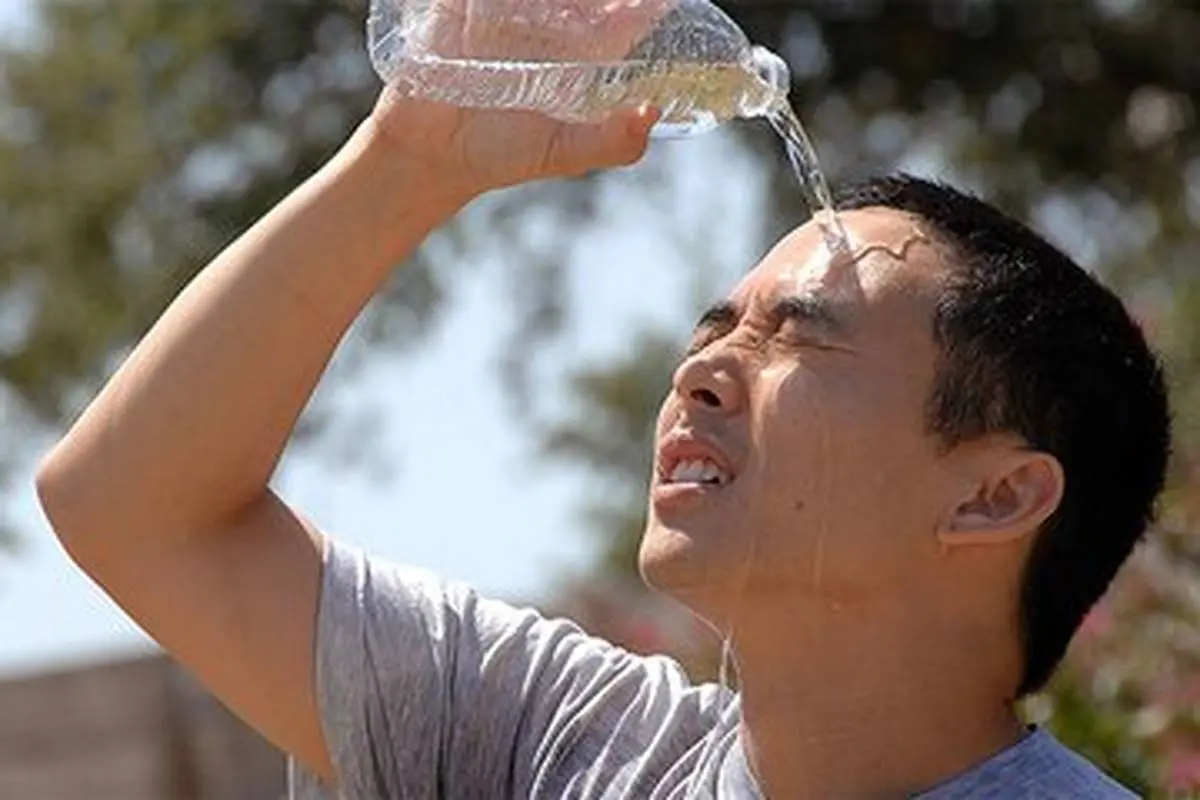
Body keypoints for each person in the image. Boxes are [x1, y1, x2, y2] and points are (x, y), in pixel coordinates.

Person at [36, 22, 1170, 800]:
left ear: (994, 493)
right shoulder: (557, 740)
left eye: (802, 330)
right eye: (713, 327)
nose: (705, 371)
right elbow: (132, 510)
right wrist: (409, 160)